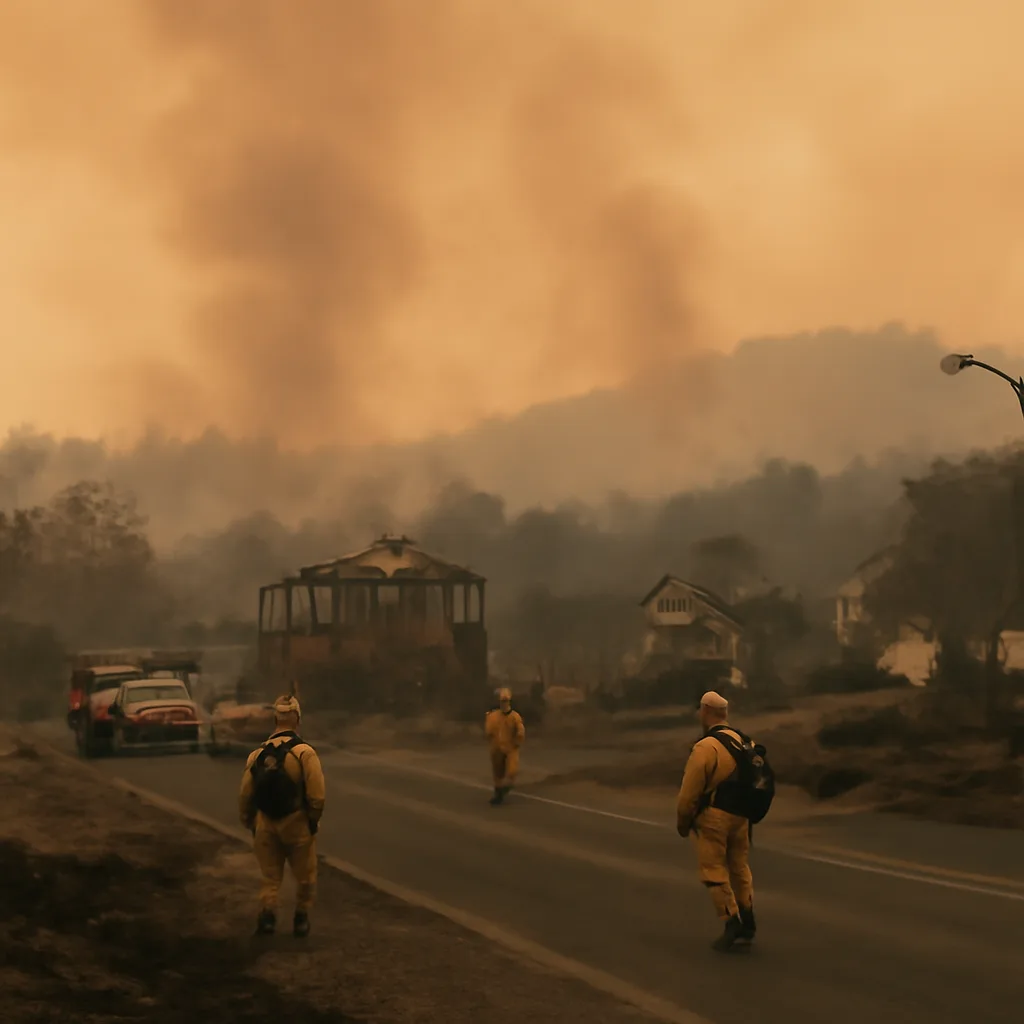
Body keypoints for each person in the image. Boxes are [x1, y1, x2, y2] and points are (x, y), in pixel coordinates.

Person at [238, 693, 326, 937]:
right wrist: (312, 819)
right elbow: (317, 796)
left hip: (265, 824)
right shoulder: (304, 753)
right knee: (306, 876)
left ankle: (268, 916)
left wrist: (250, 821)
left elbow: (245, 795)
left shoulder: (257, 755)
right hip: (297, 823)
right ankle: (301, 918)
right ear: (297, 718)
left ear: (275, 719)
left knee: (270, 877)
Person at [675, 690, 755, 952]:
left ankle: (730, 920)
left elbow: (689, 792)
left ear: (706, 711)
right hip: (742, 815)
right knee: (739, 867)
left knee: (714, 870)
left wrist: (683, 821)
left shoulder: (706, 747)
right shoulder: (745, 741)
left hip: (714, 818)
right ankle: (748, 917)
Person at [484, 687, 525, 805]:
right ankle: (498, 794)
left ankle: (505, 789)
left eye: (506, 701)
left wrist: (518, 739)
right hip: (497, 747)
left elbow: (520, 730)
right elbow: (488, 731)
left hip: (511, 748)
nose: (504, 703)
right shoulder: (493, 716)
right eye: (502, 701)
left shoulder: (515, 716)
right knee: (498, 773)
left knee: (512, 771)